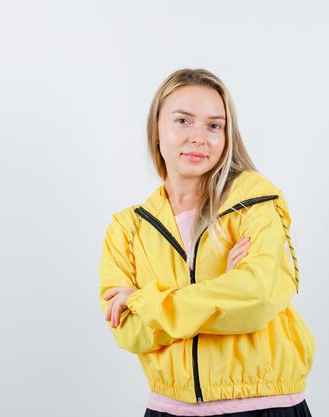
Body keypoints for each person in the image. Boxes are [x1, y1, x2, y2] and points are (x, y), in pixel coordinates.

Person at [99, 68, 316, 417]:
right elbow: (129, 332)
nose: (199, 137)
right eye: (183, 121)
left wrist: (146, 301)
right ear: (157, 129)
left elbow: (255, 298)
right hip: (168, 409)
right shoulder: (127, 228)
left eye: (214, 125)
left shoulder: (255, 202)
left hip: (264, 406)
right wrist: (222, 291)